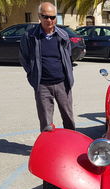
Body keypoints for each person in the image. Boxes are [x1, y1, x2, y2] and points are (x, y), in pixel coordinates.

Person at [19, 2, 75, 132]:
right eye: (45, 16)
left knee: (68, 118)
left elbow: (68, 57)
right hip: (42, 85)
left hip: (62, 84)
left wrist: (69, 74)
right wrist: (31, 75)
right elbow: (24, 58)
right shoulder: (30, 36)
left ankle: (71, 146)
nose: (49, 20)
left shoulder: (63, 35)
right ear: (39, 16)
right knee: (46, 123)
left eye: (52, 17)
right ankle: (48, 149)